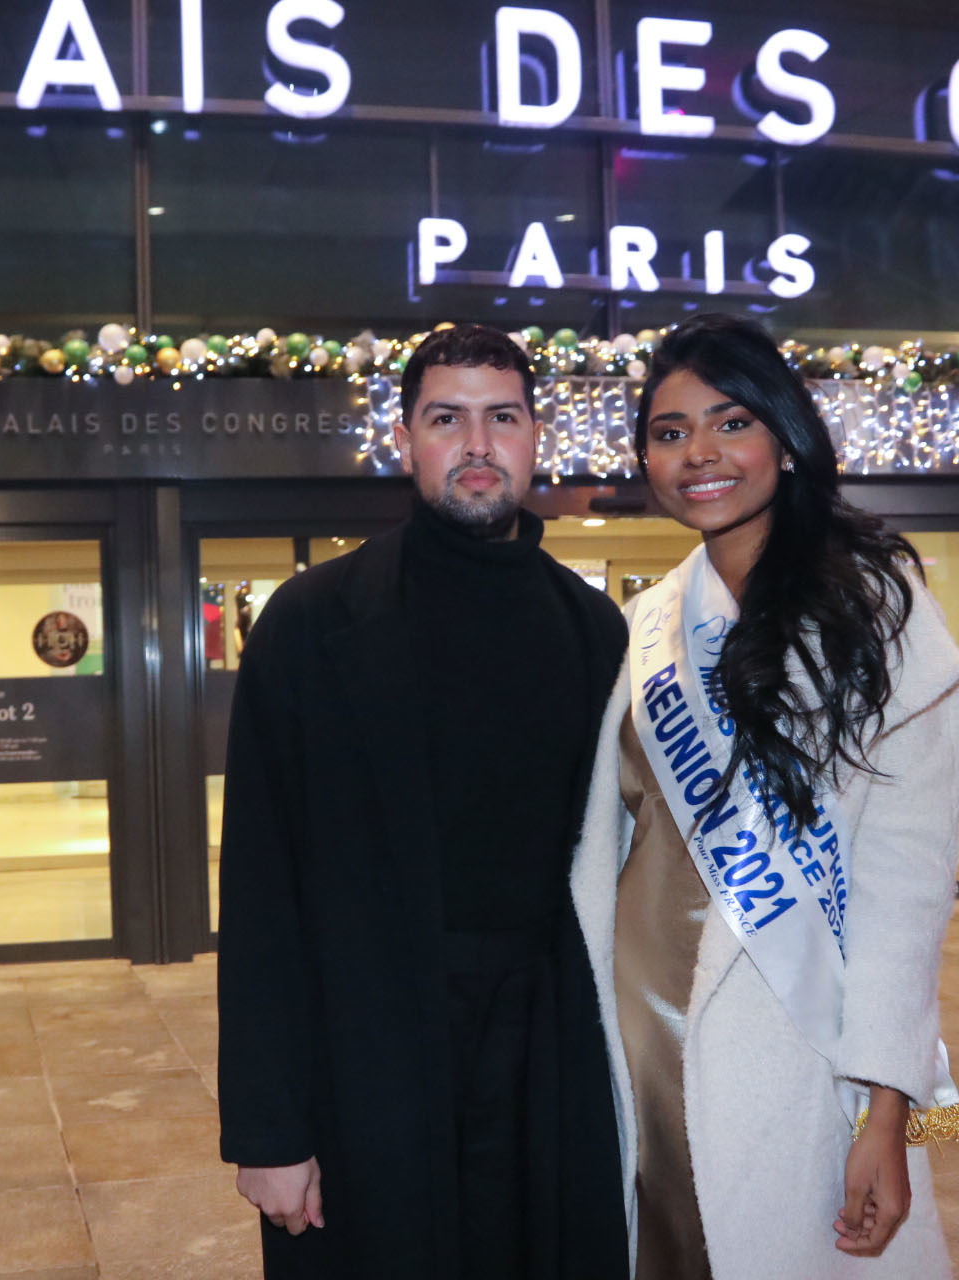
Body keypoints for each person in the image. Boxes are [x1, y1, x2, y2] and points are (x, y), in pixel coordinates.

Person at [217, 323, 629, 1280]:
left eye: (503, 418)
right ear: (405, 439)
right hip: (369, 1057)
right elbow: (261, 893)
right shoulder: (312, 624)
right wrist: (270, 1131)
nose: (477, 445)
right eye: (447, 418)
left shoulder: (595, 629)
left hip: (550, 1057)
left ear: (536, 437)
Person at [569, 315, 959, 1278]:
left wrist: (887, 1110)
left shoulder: (882, 615)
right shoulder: (646, 622)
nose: (699, 453)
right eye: (670, 433)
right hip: (632, 1019)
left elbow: (906, 888)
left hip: (796, 1032)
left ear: (786, 440)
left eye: (731, 421)